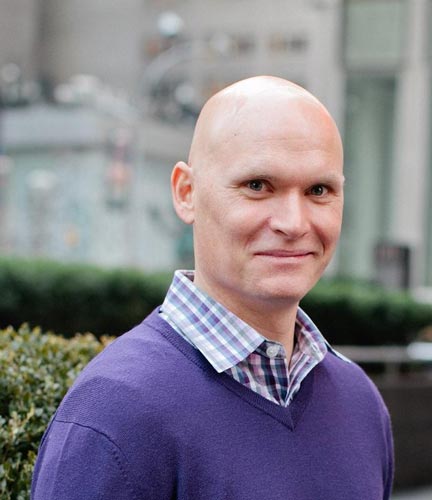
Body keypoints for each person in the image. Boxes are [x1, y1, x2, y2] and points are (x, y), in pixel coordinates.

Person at [31, 76, 393, 499]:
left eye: (319, 190)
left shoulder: (360, 403)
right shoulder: (115, 413)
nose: (294, 223)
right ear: (186, 193)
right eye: (257, 186)